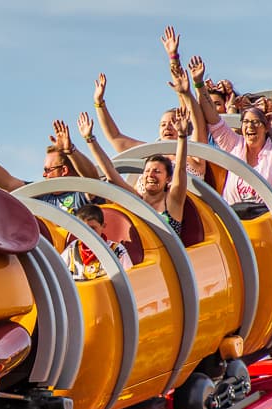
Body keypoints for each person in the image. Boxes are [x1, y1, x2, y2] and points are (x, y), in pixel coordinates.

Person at [190, 56, 272, 205]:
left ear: (266, 126)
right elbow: (213, 118)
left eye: (256, 122)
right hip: (239, 221)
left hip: (270, 220)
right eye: (246, 122)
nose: (250, 126)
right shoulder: (235, 144)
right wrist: (198, 84)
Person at [92, 26, 206, 176]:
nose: (167, 127)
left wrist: (175, 61)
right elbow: (115, 137)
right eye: (163, 124)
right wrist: (99, 103)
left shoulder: (194, 152)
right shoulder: (152, 153)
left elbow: (195, 116)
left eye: (172, 122)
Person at [77, 107, 190, 237]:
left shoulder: (173, 201)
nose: (150, 175)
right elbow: (109, 171)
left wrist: (182, 136)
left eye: (157, 171)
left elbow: (181, 169)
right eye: (147, 171)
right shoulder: (137, 200)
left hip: (168, 255)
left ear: (168, 178)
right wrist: (90, 139)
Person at [0, 120, 100, 213]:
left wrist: (70, 150)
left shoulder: (80, 193)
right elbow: (7, 184)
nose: (44, 175)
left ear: (64, 170)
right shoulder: (41, 193)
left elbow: (93, 181)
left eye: (47, 170)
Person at [61, 204, 133, 280]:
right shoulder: (72, 248)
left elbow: (129, 278)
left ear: (103, 226)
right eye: (83, 228)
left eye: (93, 228)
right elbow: (58, 270)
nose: (88, 232)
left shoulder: (117, 250)